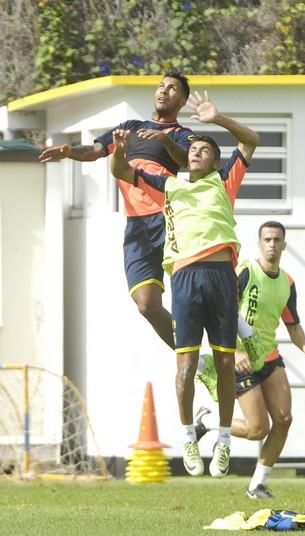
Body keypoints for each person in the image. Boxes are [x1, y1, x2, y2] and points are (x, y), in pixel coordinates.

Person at [111, 90, 260, 479]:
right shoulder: (170, 186)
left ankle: (224, 439)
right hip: (185, 278)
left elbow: (251, 141)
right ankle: (189, 436)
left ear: (214, 159)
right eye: (192, 148)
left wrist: (218, 119)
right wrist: (120, 151)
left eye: (204, 149)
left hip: (221, 277)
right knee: (186, 366)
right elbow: (121, 173)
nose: (196, 152)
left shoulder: (224, 181)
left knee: (226, 363)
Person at [39, 70, 192, 350]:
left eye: (172, 88)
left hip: (169, 219)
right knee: (146, 304)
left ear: (182, 100)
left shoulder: (183, 135)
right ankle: (193, 355)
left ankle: (231, 333)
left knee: (193, 289)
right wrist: (69, 151)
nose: (163, 91)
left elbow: (187, 161)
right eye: (161, 86)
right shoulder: (131, 126)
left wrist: (165, 141)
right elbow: (95, 150)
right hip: (137, 227)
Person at [195, 220, 305, 499]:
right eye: (267, 239)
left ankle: (257, 485)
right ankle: (209, 421)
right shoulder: (244, 273)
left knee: (284, 419)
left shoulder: (288, 283)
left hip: (269, 357)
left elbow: (292, 324)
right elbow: (221, 314)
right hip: (241, 359)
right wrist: (235, 351)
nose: (272, 244)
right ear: (259, 243)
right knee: (257, 428)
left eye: (277, 240)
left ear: (284, 245)